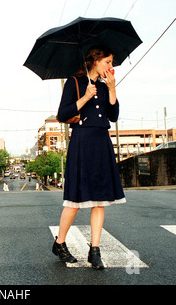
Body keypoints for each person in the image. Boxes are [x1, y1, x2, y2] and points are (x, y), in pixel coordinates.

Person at [52, 46, 126, 270]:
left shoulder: (104, 87)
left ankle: (95, 251)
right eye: (107, 62)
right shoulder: (74, 82)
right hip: (82, 141)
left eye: (111, 62)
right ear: (95, 61)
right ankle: (60, 242)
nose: (110, 67)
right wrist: (85, 97)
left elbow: (113, 116)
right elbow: (63, 114)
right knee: (75, 199)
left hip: (102, 141)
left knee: (100, 199)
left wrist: (112, 90)